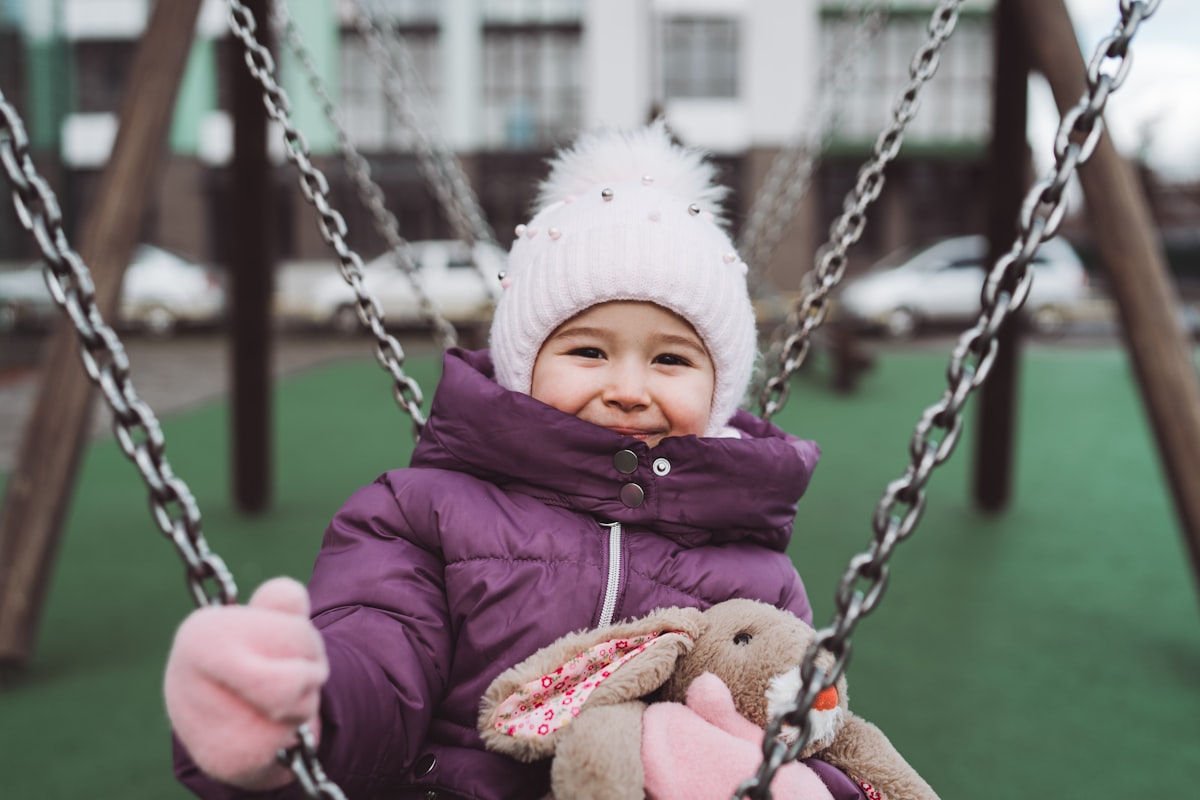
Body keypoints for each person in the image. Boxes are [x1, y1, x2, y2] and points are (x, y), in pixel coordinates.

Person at [165, 121, 864, 799]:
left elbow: (798, 729)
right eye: (587, 350)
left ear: (720, 388)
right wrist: (306, 709)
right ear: (522, 365)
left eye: (671, 359)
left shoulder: (759, 573)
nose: (626, 389)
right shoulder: (420, 515)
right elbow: (380, 653)